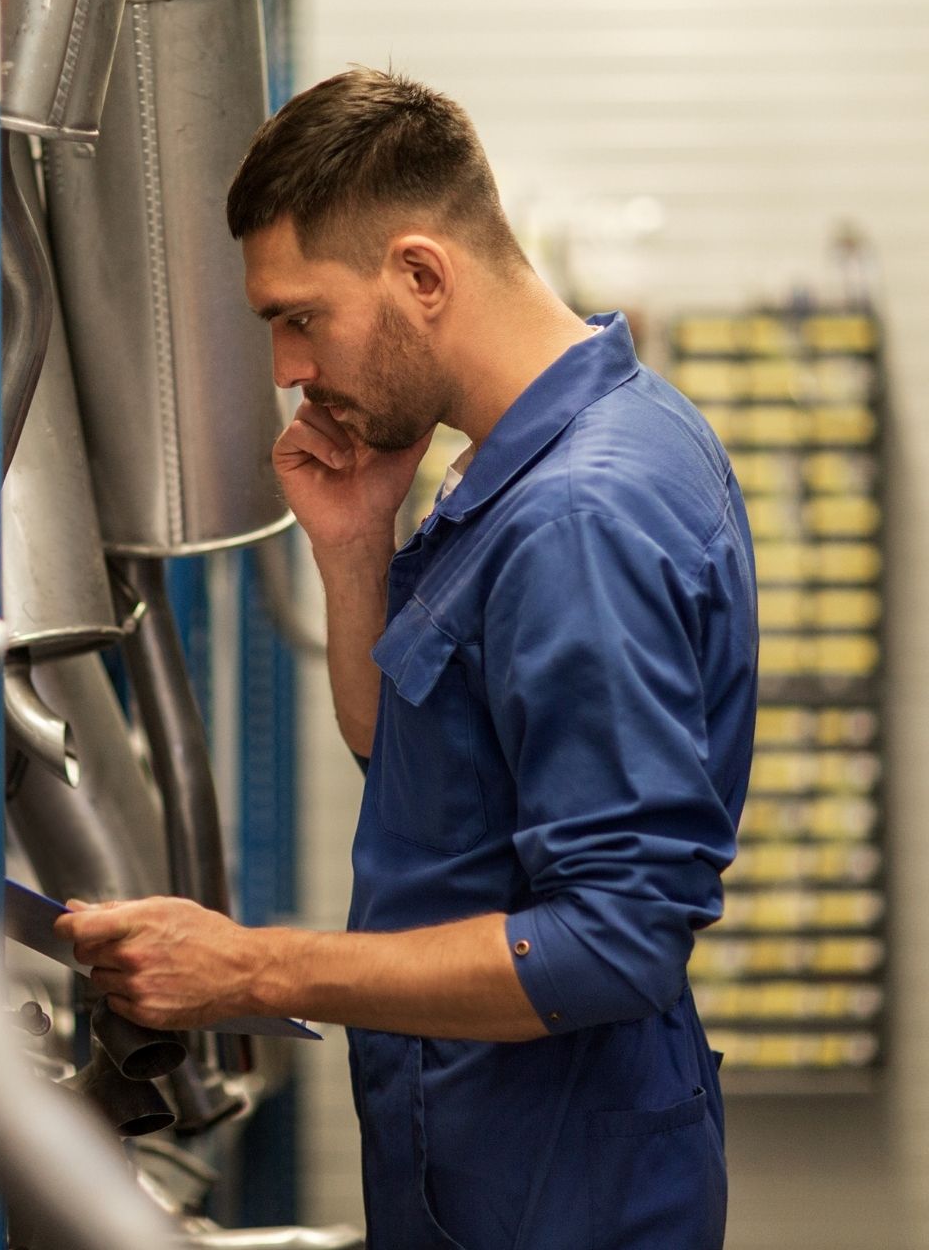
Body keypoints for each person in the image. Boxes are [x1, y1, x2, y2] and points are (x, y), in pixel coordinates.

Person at [54, 67, 758, 1250]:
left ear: (420, 275)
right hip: (495, 1158)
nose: (285, 366)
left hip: (557, 1187)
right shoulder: (528, 461)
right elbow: (415, 752)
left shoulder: (576, 517)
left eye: (298, 316)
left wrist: (253, 969)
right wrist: (351, 548)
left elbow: (614, 939)